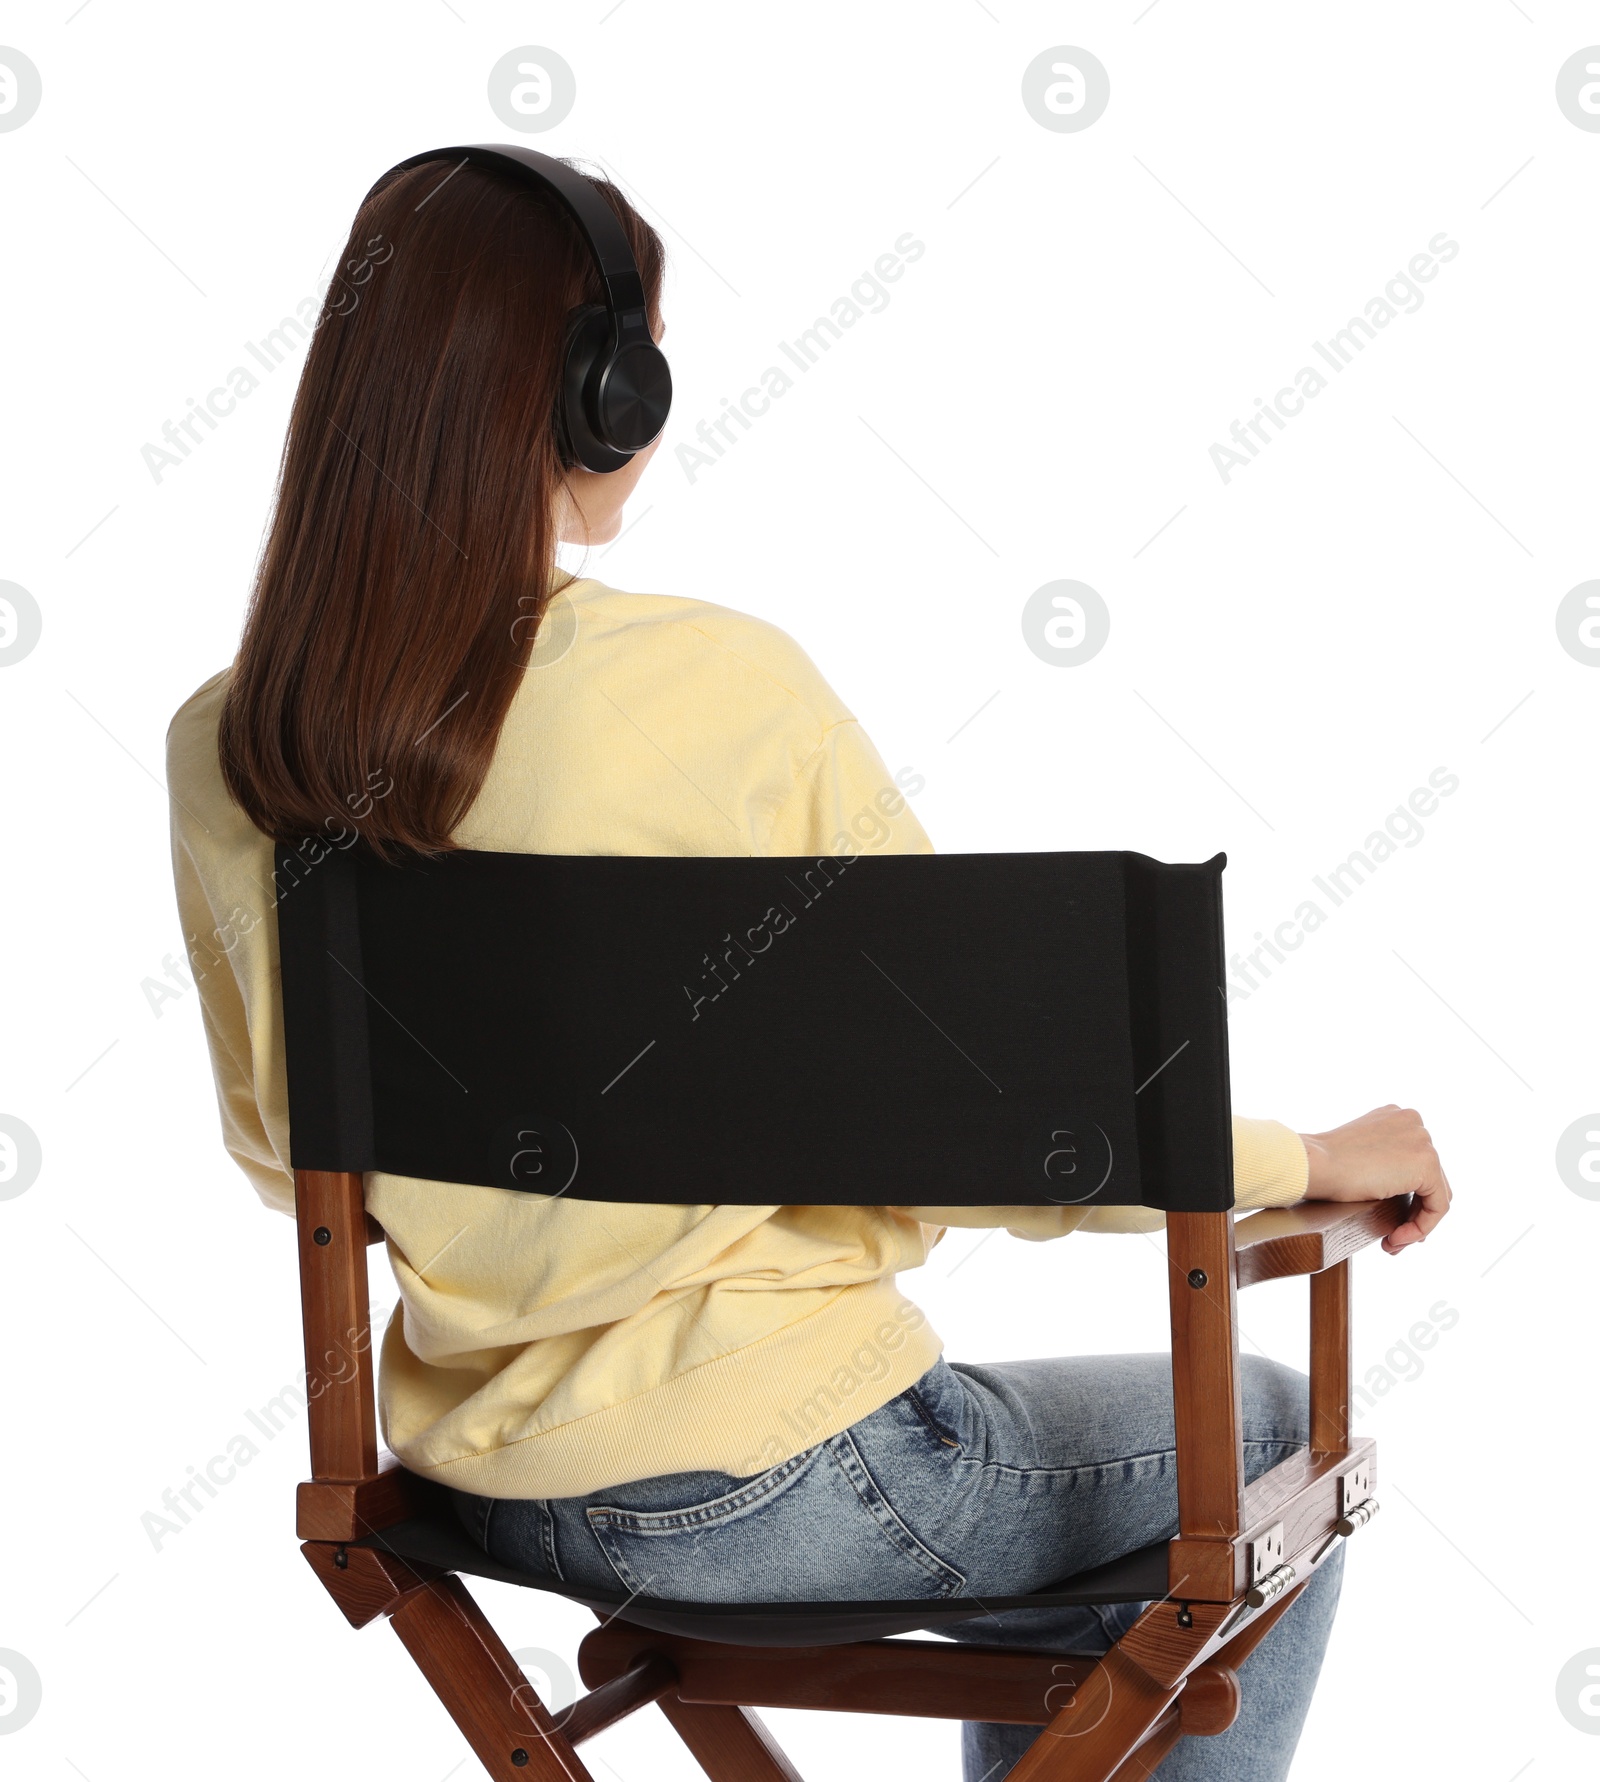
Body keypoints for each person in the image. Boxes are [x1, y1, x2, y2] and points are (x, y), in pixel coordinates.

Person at [165, 153, 1453, 1781]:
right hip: (782, 1487)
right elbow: (993, 1114)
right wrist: (1317, 1161)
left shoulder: (232, 747)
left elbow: (291, 1154)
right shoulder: (719, 690)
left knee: (1064, 1510)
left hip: (480, 1488)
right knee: (1267, 1426)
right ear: (600, 393)